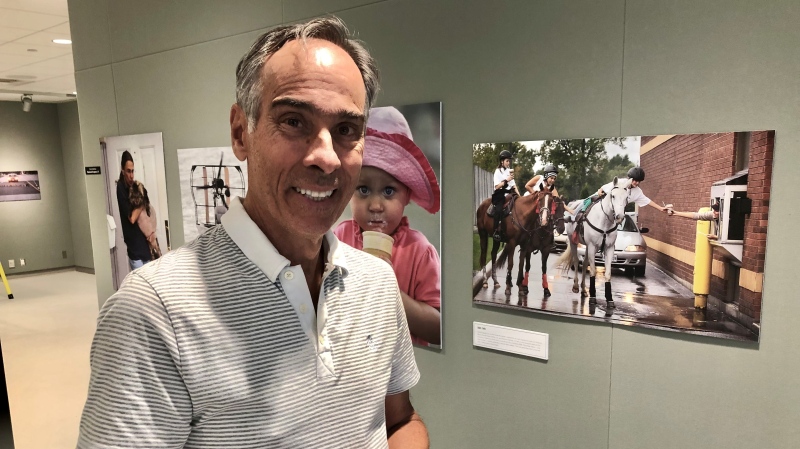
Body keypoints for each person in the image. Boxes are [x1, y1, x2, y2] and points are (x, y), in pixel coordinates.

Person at [79, 17, 428, 449]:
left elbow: (400, 421)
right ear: (240, 132)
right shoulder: (153, 312)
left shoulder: (376, 283)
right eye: (294, 121)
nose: (326, 158)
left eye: (345, 130)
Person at [335, 106, 441, 346]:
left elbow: (438, 329)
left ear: (407, 196)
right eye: (363, 190)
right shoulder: (339, 237)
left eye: (388, 191)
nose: (375, 205)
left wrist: (388, 287)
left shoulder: (419, 250)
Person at [116, 151, 152, 270]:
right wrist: (141, 202)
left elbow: (147, 207)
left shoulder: (135, 186)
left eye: (132, 171)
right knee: (141, 287)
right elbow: (132, 218)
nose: (131, 175)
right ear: (122, 170)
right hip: (135, 250)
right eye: (128, 171)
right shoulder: (121, 187)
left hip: (145, 245)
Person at [128, 180, 162, 260]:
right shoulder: (144, 207)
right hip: (147, 240)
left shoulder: (143, 207)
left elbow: (133, 219)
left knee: (157, 259)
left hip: (150, 238)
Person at [491, 150, 520, 240]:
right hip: (500, 194)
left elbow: (514, 185)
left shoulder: (509, 171)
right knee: (499, 210)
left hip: (510, 193)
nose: (508, 163)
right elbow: (497, 186)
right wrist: (507, 180)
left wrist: (519, 196)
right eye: (507, 161)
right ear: (502, 161)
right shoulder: (497, 172)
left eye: (509, 161)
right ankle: (496, 230)